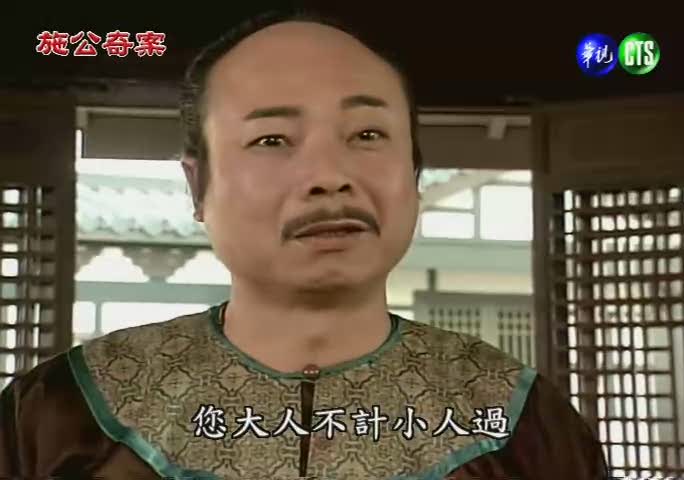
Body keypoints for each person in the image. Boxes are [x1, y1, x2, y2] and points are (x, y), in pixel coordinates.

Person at [0, 9, 609, 479]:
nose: (328, 176)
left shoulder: (521, 418)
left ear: (414, 176)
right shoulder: (63, 411)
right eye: (272, 139)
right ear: (198, 185)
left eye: (367, 133)